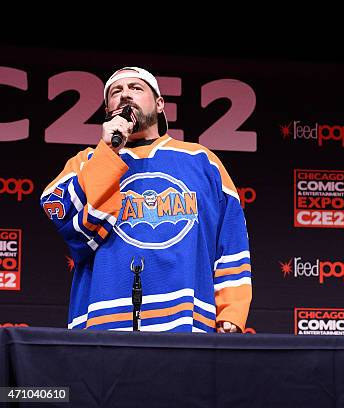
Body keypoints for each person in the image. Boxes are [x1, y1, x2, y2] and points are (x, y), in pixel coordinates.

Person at [40, 67, 251, 333]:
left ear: (160, 104)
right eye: (117, 92)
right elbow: (73, 229)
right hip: (104, 323)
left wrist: (231, 310)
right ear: (108, 110)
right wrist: (109, 152)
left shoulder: (202, 160)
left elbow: (231, 242)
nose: (125, 95)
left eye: (136, 88)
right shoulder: (86, 162)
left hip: (185, 323)